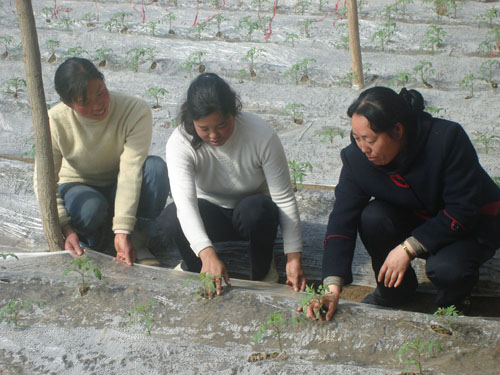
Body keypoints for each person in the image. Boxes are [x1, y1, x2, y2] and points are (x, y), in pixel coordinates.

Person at [304, 86, 500, 321]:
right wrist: (331, 287)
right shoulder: (358, 159)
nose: (363, 148)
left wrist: (408, 247)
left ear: (397, 130)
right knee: (373, 217)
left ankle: (453, 305)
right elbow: (341, 220)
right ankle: (394, 292)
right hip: (419, 216)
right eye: (357, 139)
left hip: (470, 224)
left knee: (447, 269)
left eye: (370, 140)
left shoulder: (445, 139)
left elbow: (463, 210)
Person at [163, 73, 306, 296]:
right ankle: (195, 266)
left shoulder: (260, 134)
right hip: (210, 214)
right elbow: (186, 205)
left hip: (251, 216)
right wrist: (207, 254)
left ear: (234, 113)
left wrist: (293, 257)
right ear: (192, 121)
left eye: (222, 125)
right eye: (204, 128)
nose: (213, 135)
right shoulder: (180, 142)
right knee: (172, 216)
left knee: (256, 209)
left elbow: (284, 198)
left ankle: (263, 272)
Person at [35, 57, 169, 266]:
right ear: (67, 103)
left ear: (104, 82)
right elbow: (43, 181)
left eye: (100, 93)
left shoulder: (134, 110)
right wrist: (65, 227)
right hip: (79, 186)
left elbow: (130, 171)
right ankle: (92, 240)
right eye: (85, 103)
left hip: (119, 183)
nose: (97, 105)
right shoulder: (54, 120)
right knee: (91, 208)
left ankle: (137, 240)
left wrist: (123, 229)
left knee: (155, 169)